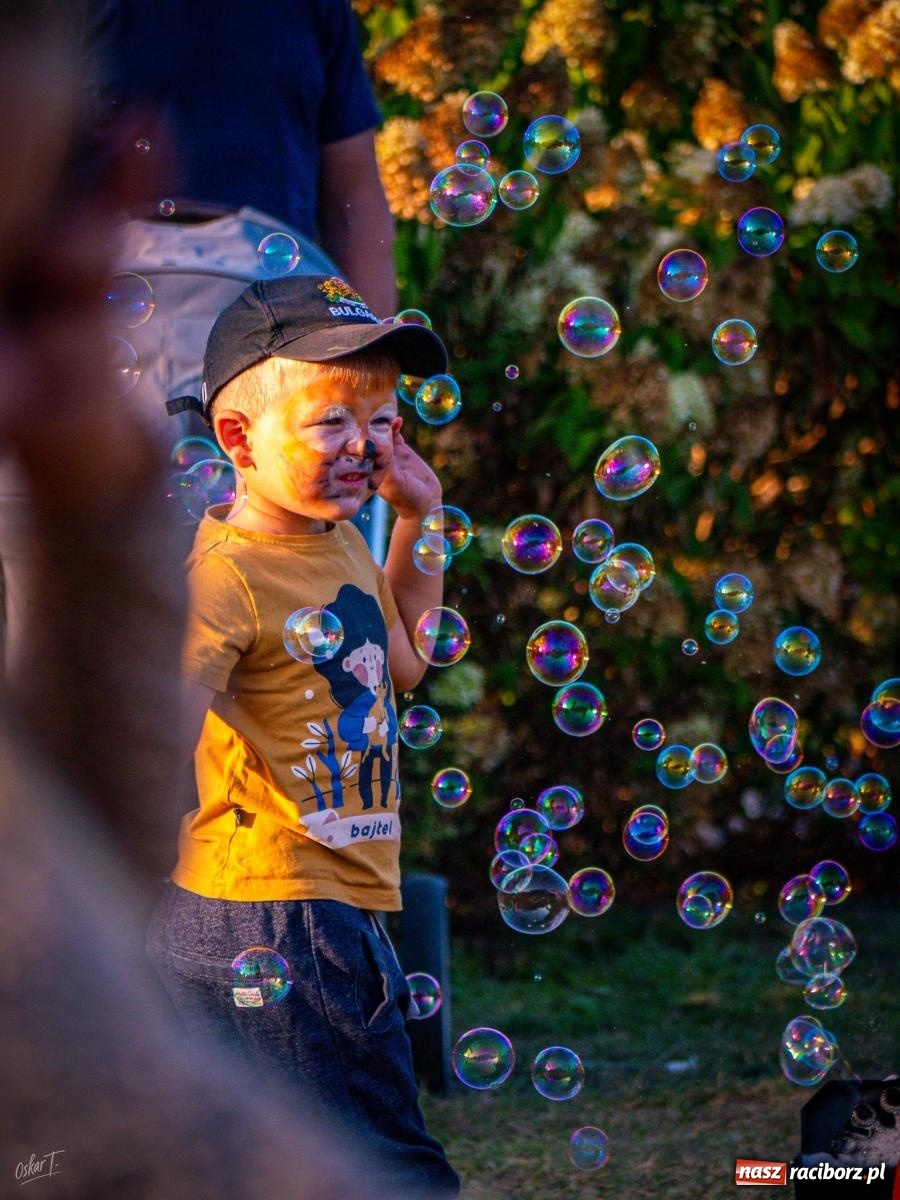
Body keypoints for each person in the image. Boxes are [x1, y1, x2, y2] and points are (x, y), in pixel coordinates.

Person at [0, 7, 417, 1198]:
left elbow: (356, 198)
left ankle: (240, 968)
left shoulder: (309, 11)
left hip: (271, 312)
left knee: (220, 668)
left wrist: (372, 396)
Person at [146, 273, 460, 1197]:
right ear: (238, 439)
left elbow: (403, 664)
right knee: (384, 1157)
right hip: (275, 908)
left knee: (268, 1158)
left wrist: (418, 518)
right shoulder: (227, 578)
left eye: (383, 421)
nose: (365, 446)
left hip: (319, 898)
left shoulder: (340, 539)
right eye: (332, 422)